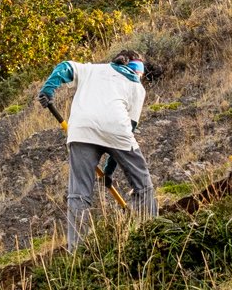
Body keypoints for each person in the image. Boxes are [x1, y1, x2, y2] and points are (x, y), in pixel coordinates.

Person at [37, 49, 160, 246]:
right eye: (141, 71)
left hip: (81, 130)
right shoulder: (137, 87)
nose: (141, 75)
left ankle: (77, 252)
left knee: (79, 194)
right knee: (142, 184)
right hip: (117, 130)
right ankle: (153, 235)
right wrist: (109, 171)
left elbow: (65, 67)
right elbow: (129, 130)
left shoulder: (92, 70)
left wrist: (48, 89)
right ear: (136, 69)